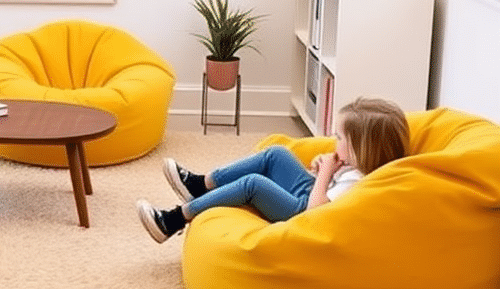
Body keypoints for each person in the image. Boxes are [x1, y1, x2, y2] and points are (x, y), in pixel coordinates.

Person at [136, 96, 408, 244]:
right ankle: (201, 184)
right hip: (311, 194)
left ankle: (173, 220)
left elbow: (316, 213)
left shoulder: (360, 181)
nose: (333, 141)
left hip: (302, 213)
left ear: (362, 149)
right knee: (277, 153)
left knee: (253, 184)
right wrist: (323, 170)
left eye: (339, 138)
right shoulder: (356, 166)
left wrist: (325, 174)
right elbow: (327, 189)